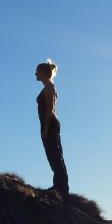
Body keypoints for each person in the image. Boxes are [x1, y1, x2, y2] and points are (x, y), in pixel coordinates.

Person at [35, 60, 69, 198]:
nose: (35, 74)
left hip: (50, 124)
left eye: (37, 71)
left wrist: (46, 128)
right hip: (47, 124)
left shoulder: (49, 87)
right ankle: (59, 185)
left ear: (43, 72)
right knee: (52, 156)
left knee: (55, 156)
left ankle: (62, 188)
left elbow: (50, 109)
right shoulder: (47, 87)